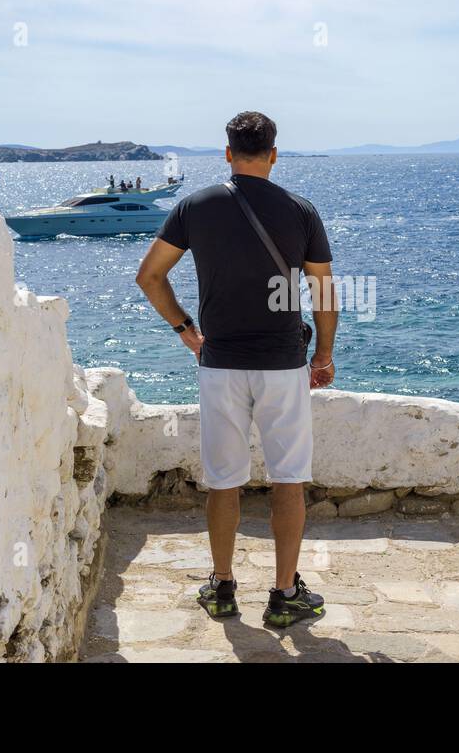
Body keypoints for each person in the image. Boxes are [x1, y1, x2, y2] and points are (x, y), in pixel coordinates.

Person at [135, 111, 338, 627]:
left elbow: (150, 276)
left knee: (223, 481)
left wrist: (187, 332)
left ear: (227, 153)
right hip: (282, 364)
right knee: (288, 480)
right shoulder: (300, 211)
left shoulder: (195, 206)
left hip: (219, 362)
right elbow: (324, 293)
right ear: (274, 153)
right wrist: (323, 356)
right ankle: (284, 593)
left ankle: (222, 587)